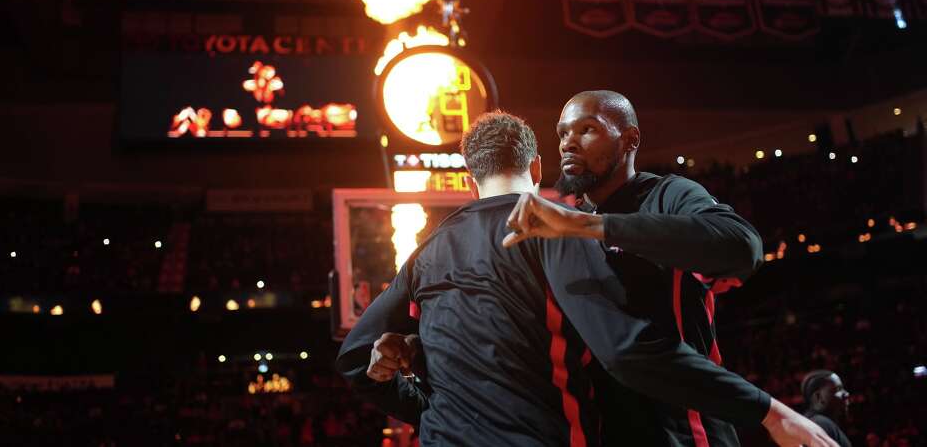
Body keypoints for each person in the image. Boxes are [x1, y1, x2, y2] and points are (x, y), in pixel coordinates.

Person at [337, 111, 833, 446]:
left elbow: (357, 358)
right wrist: (770, 411)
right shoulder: (555, 223)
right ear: (536, 166)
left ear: (470, 176)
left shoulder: (427, 250)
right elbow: (624, 349)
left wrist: (431, 410)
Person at [504, 90, 764, 446]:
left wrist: (591, 227)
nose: (568, 144)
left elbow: (742, 246)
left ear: (630, 140)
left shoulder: (669, 195)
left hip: (685, 431)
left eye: (587, 129)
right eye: (563, 133)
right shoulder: (563, 220)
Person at [802, 370, 852, 447]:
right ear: (818, 396)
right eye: (838, 389)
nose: (846, 394)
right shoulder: (820, 424)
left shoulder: (812, 423)